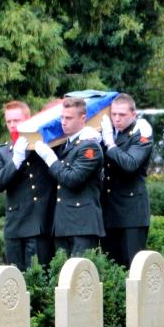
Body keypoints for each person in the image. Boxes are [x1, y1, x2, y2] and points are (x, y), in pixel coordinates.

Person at [0, 101, 56, 270]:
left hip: (39, 223)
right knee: (14, 279)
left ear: (28, 119)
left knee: (38, 278)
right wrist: (15, 160)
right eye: (8, 121)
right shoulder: (1, 152)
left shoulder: (42, 146)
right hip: (15, 225)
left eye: (16, 120)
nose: (12, 125)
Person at [34, 97, 105, 256]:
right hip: (62, 224)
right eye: (62, 118)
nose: (63, 122)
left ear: (83, 119)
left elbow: (72, 179)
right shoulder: (64, 144)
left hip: (83, 224)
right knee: (63, 276)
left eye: (69, 118)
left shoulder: (90, 146)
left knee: (81, 276)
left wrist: (50, 159)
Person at [99, 93, 153, 268]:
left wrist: (110, 144)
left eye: (122, 115)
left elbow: (130, 164)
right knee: (112, 269)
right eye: (114, 114)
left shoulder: (141, 133)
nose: (117, 119)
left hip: (132, 213)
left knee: (134, 267)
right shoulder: (107, 133)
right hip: (109, 211)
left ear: (133, 115)